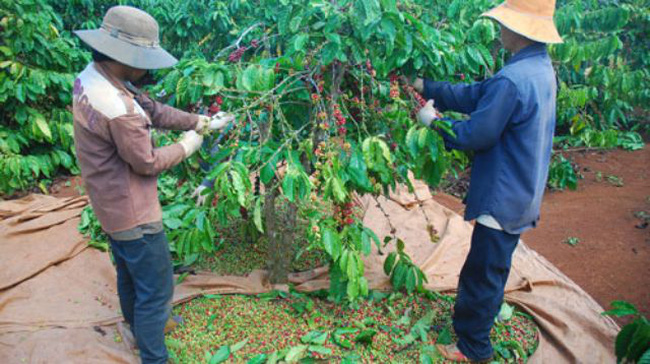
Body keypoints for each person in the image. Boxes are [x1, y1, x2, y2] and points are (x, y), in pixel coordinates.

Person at [72, 6, 234, 363]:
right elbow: (146, 163)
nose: (148, 69)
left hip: (109, 204)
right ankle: (154, 356)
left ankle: (135, 326)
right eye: (145, 60)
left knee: (130, 275)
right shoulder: (119, 109)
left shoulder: (94, 76)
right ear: (127, 59)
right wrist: (188, 145)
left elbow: (154, 109)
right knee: (157, 289)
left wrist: (200, 121)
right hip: (134, 214)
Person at [413, 0, 563, 361]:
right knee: (491, 267)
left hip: (503, 192)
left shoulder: (512, 80)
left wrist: (432, 121)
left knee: (483, 273)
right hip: (522, 189)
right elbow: (477, 94)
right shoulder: (538, 69)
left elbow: (476, 135)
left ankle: (473, 348)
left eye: (504, 24)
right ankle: (474, 335)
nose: (500, 31)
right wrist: (425, 84)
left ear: (519, 30)